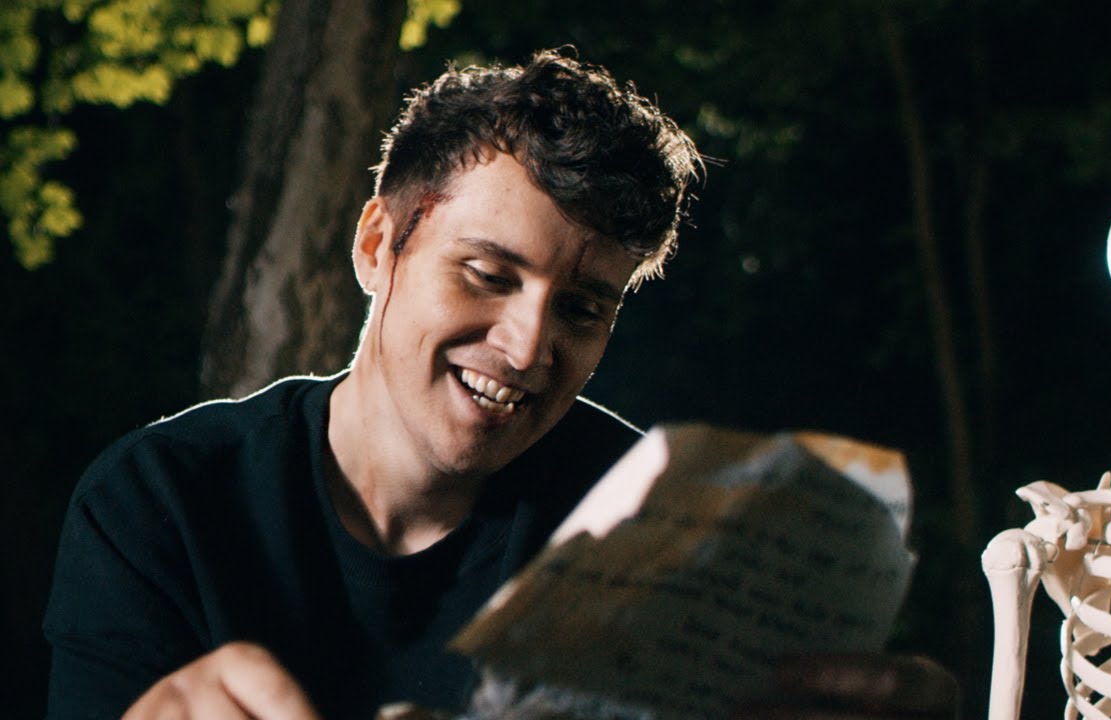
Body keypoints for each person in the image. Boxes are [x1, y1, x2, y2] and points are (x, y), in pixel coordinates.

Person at [44, 49, 957, 719]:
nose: (526, 350)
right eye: (487, 274)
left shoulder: (653, 528)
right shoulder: (157, 501)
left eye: (582, 310)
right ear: (377, 245)